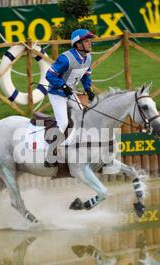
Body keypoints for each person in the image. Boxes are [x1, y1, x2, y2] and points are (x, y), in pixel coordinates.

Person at [44, 29, 96, 167]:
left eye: (90, 40)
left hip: (70, 92)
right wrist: (62, 86)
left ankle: (72, 148)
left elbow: (86, 75)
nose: (90, 43)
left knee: (82, 117)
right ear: (78, 45)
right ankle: (50, 155)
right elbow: (49, 75)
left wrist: (88, 89)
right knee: (63, 123)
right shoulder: (65, 58)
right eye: (86, 41)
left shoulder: (89, 57)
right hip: (57, 93)